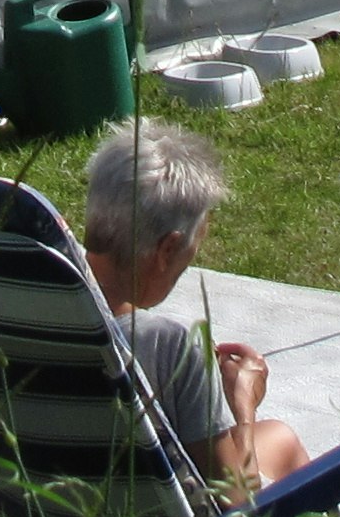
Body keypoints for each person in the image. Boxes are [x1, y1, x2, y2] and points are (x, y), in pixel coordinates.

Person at [79, 118, 307, 489]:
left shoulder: (20, 314)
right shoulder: (168, 347)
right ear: (167, 249)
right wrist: (242, 404)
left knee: (279, 436)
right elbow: (236, 509)